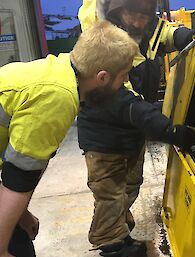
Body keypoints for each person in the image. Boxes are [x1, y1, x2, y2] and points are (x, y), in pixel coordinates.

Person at [0, 20, 138, 257]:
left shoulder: (61, 68)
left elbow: (18, 170)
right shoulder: (59, 96)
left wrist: (21, 215)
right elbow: (17, 179)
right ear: (102, 77)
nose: (125, 83)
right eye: (124, 76)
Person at [77, 0, 195, 256]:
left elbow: (163, 33)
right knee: (109, 194)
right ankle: (111, 245)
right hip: (104, 140)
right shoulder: (102, 41)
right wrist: (170, 131)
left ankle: (119, 230)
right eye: (130, 13)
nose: (137, 21)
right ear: (114, 9)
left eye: (144, 15)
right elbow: (126, 102)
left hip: (132, 132)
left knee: (131, 185)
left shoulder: (148, 26)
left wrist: (185, 35)